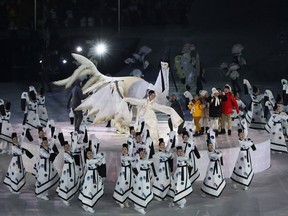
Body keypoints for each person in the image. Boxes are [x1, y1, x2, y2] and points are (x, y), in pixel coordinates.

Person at [114, 89, 183, 144]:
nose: (153, 96)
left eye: (154, 95)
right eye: (152, 95)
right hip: (143, 116)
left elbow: (162, 107)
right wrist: (127, 99)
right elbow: (136, 101)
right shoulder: (144, 101)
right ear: (149, 95)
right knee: (140, 127)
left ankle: (151, 140)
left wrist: (170, 110)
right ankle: (138, 139)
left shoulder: (154, 104)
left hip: (151, 117)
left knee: (153, 125)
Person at [79, 148, 105, 213]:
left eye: (91, 153)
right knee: (89, 190)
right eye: (88, 153)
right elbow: (97, 161)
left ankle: (86, 205)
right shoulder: (88, 161)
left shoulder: (93, 159)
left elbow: (100, 163)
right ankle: (89, 206)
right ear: (86, 155)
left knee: (93, 189)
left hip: (95, 175)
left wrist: (100, 158)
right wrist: (100, 156)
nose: (90, 154)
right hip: (90, 177)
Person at [129, 148, 153, 214]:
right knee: (140, 192)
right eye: (141, 153)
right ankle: (139, 207)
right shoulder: (139, 161)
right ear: (139, 154)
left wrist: (150, 176)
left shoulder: (146, 161)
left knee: (145, 191)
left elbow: (149, 169)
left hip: (146, 179)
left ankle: (140, 205)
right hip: (141, 179)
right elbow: (137, 169)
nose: (142, 154)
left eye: (143, 153)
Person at [57, 141, 79, 206]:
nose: (67, 147)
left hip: (71, 169)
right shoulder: (65, 154)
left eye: (68, 146)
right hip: (67, 170)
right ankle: (65, 198)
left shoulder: (70, 153)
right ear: (64, 148)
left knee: (70, 182)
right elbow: (71, 160)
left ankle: (68, 195)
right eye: (65, 147)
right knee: (66, 183)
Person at [113, 143, 134, 208]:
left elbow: (133, 162)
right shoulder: (123, 156)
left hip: (129, 173)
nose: (124, 151)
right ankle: (120, 201)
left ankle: (126, 200)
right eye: (123, 149)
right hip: (123, 173)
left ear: (128, 150)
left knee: (128, 186)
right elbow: (129, 159)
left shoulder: (129, 156)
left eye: (125, 149)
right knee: (122, 186)